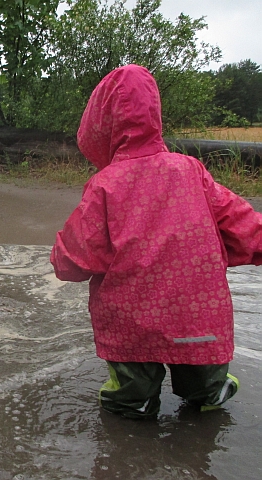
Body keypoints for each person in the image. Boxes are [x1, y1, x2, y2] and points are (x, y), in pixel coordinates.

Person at [50, 64, 262, 419]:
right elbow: (237, 220)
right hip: (198, 317)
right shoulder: (191, 170)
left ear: (102, 124)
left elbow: (77, 255)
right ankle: (209, 390)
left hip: (131, 321)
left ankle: (134, 402)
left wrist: (61, 259)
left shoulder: (107, 184)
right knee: (203, 372)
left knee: (130, 389)